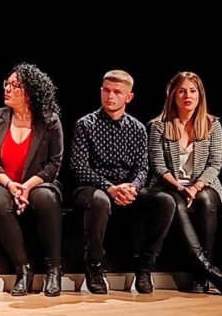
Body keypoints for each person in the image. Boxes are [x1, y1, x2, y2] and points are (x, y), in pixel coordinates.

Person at [69, 69, 174, 295]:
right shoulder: (85, 124)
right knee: (99, 200)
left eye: (117, 92)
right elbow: (79, 167)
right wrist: (110, 187)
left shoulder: (137, 128)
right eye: (106, 90)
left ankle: (145, 267)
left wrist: (132, 188)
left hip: (127, 188)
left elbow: (142, 167)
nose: (110, 96)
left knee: (165, 201)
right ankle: (94, 266)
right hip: (93, 187)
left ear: (129, 97)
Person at [0, 63, 64, 297]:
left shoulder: (50, 121)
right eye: (7, 83)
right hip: (2, 182)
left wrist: (26, 186)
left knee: (45, 197)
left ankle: (54, 269)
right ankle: (23, 268)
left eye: (15, 85)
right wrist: (10, 185)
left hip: (37, 183)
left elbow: (54, 164)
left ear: (30, 92)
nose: (8, 89)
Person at [143, 72, 222, 294]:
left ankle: (200, 276)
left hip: (202, 185)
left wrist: (195, 186)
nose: (187, 96)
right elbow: (157, 164)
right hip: (168, 185)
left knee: (205, 199)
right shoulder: (158, 125)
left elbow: (215, 163)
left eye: (193, 91)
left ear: (200, 95)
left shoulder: (213, 125)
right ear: (173, 95)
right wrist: (181, 187)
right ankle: (207, 270)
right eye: (181, 91)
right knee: (177, 202)